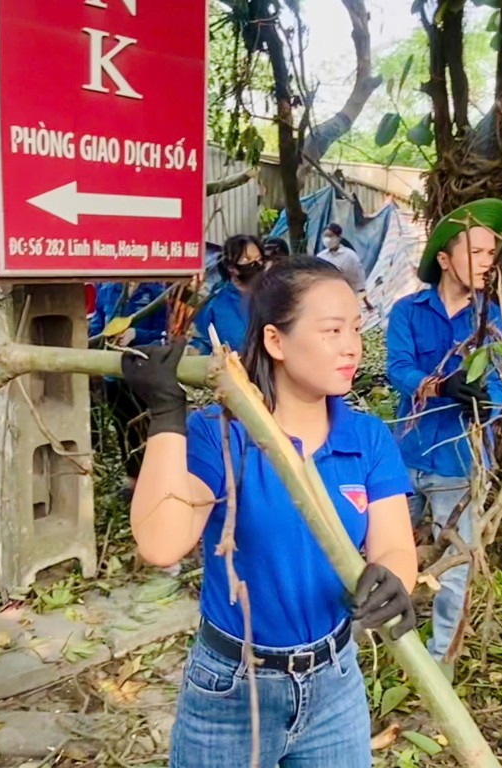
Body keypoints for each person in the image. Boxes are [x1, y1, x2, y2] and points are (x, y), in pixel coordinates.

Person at [122, 257, 417, 767]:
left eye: (355, 328)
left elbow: (394, 546)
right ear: (276, 342)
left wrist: (392, 580)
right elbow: (160, 542)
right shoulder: (221, 434)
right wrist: (166, 416)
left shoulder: (367, 440)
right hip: (231, 688)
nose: (352, 346)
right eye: (331, 331)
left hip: (335, 685)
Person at [386, 198, 502, 674]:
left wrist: (486, 400)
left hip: (459, 461)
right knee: (383, 550)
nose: (487, 264)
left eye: (491, 254)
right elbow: (398, 369)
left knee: (456, 569)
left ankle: (440, 669)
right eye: (477, 253)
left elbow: (498, 387)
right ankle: (372, 643)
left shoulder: (490, 319)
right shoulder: (407, 312)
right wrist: (439, 385)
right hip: (406, 454)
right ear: (444, 259)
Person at [89, 281, 168, 491]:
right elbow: (96, 326)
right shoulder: (107, 291)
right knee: (123, 427)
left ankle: (154, 479)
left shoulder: (156, 294)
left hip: (143, 375)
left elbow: (164, 335)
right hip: (114, 375)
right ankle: (133, 480)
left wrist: (136, 334)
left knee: (145, 428)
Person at [192, 234, 265, 355]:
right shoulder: (214, 306)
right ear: (231, 267)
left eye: (259, 259)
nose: (255, 264)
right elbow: (201, 345)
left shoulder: (273, 297)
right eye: (246, 260)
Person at [316, 223, 366, 295]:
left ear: (338, 237)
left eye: (330, 236)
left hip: (347, 294)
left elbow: (359, 280)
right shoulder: (320, 257)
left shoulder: (350, 256)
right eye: (325, 236)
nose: (327, 239)